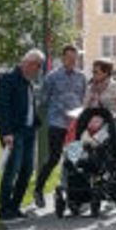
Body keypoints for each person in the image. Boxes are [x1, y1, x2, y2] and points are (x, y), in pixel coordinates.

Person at [0, 48, 45, 223]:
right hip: (14, 133)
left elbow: (29, 106)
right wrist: (6, 133)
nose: (38, 70)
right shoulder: (9, 80)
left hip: (29, 131)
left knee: (27, 170)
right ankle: (4, 209)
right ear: (28, 63)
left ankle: (15, 207)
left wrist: (36, 123)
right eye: (37, 66)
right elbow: (2, 108)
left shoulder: (28, 82)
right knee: (12, 171)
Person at [33, 43, 84, 210]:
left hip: (74, 126)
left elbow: (82, 98)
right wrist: (60, 109)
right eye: (69, 58)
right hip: (57, 123)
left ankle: (73, 193)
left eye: (75, 59)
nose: (72, 61)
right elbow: (43, 100)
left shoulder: (81, 77)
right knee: (54, 158)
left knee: (74, 159)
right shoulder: (52, 77)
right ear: (63, 58)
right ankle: (38, 190)